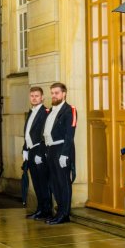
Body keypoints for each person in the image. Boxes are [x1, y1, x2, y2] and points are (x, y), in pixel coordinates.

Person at [43, 82, 77, 225]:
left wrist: (65, 154)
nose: (54, 96)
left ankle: (65, 214)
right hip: (50, 150)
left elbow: (70, 134)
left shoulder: (69, 110)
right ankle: (59, 211)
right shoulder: (51, 110)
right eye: (52, 93)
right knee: (54, 182)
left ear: (64, 94)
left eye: (57, 93)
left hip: (62, 149)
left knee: (63, 183)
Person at [23, 86, 52, 220]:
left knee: (43, 183)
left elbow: (44, 135)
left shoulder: (45, 112)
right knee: (36, 182)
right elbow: (27, 133)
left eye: (37, 96)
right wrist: (25, 149)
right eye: (32, 96)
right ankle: (40, 209)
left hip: (39, 151)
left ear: (42, 98)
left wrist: (40, 153)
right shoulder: (31, 112)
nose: (34, 98)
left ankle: (46, 210)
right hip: (31, 151)